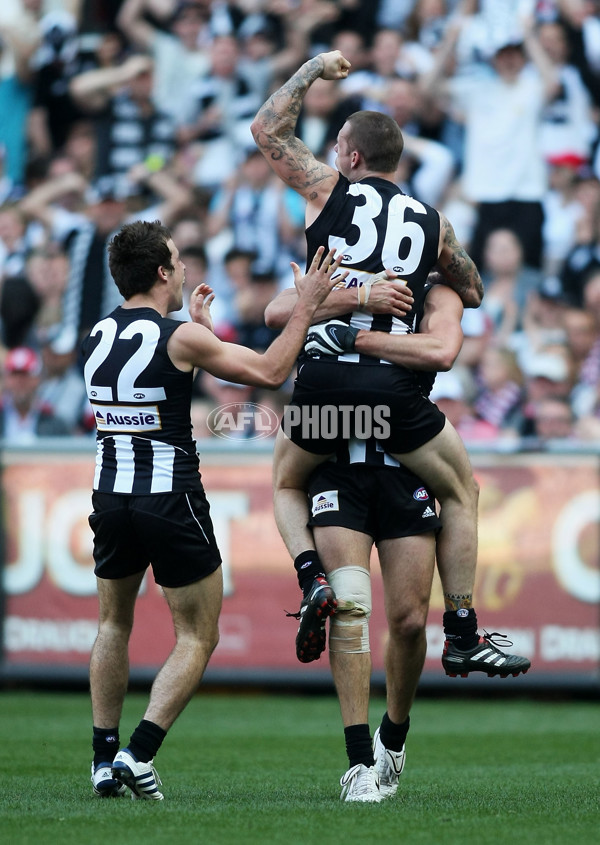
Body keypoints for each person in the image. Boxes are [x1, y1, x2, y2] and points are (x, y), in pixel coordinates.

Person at [252, 51, 529, 688]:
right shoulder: (432, 223)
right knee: (461, 490)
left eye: (336, 145)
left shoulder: (326, 190)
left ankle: (310, 577)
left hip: (322, 377)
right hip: (393, 387)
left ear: (348, 157)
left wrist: (313, 69)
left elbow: (267, 129)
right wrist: (418, 273)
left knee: (287, 483)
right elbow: (476, 289)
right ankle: (461, 632)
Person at [83, 219, 342, 800]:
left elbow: (152, 383)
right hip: (169, 496)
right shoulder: (179, 337)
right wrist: (309, 304)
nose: (182, 271)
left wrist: (199, 338)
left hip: (109, 493)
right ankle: (138, 753)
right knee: (199, 635)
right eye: (176, 261)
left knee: (111, 624)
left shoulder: (96, 334)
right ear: (160, 272)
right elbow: (272, 371)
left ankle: (102, 758)